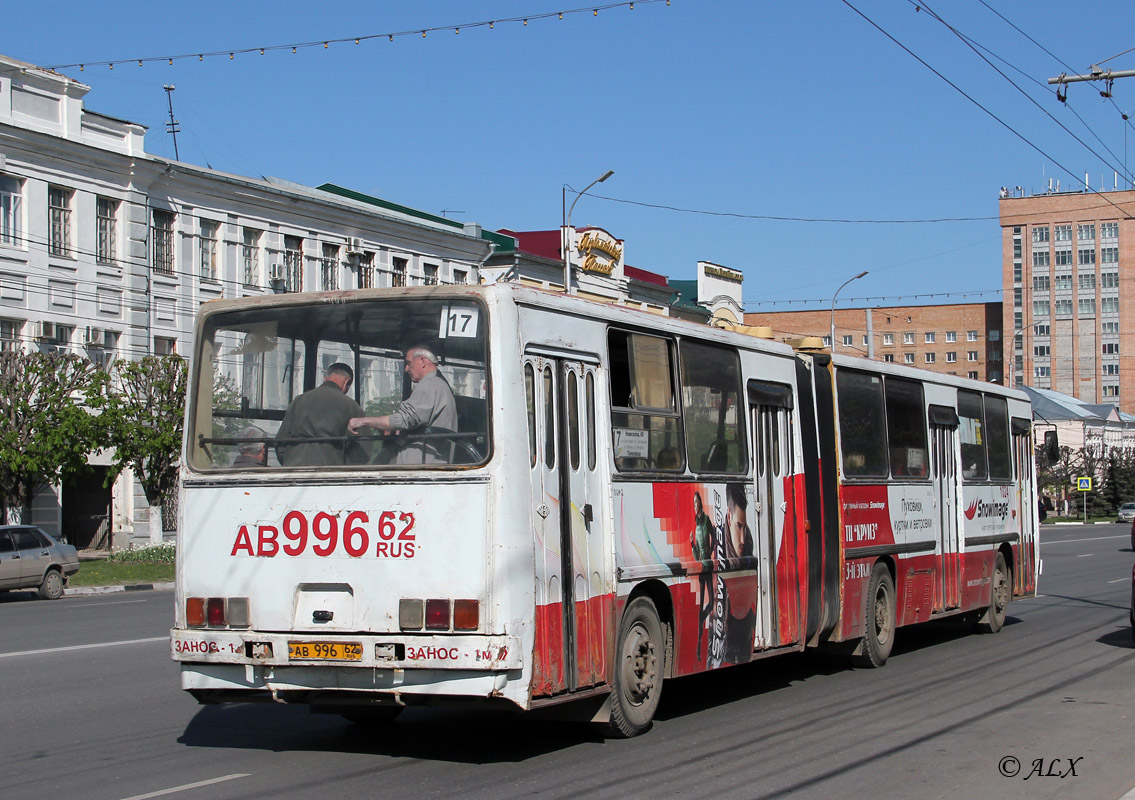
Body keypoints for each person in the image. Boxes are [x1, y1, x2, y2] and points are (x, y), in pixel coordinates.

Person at [348, 345, 457, 464]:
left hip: (420, 464)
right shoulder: (439, 383)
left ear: (422, 361)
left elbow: (403, 420)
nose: (406, 369)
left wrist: (362, 421)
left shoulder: (429, 384)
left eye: (409, 363)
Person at [275, 363, 368, 467]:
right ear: (347, 382)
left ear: (325, 378)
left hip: (294, 468)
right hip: (331, 471)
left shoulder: (298, 400)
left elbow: (281, 441)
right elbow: (363, 450)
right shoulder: (351, 406)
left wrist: (289, 461)